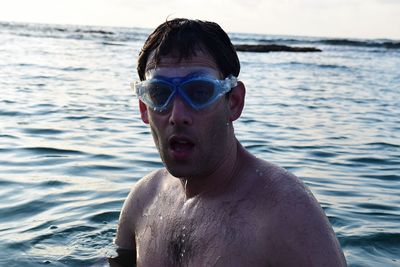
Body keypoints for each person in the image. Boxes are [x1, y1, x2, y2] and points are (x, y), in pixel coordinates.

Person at [110, 18, 347, 267]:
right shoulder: (142, 201)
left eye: (199, 92)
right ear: (144, 108)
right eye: (159, 94)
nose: (177, 115)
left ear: (233, 102)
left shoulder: (286, 214)